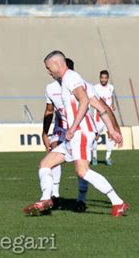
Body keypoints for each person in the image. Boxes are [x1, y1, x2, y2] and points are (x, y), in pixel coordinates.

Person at [24, 50, 128, 217]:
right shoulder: (76, 80)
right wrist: (111, 130)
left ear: (57, 64)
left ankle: (118, 202)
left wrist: (72, 128)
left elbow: (85, 101)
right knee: (44, 165)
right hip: (72, 135)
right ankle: (45, 199)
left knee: (83, 171)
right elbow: (100, 107)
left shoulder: (70, 78)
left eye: (49, 67)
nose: (48, 71)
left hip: (79, 133)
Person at [42, 58, 90, 212]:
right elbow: (49, 110)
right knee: (52, 158)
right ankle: (54, 196)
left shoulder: (80, 85)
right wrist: (44, 132)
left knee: (81, 166)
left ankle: (81, 199)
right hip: (60, 129)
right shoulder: (51, 88)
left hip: (78, 130)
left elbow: (92, 104)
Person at [92, 70, 116, 166]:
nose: (103, 80)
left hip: (109, 115)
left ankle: (108, 157)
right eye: (102, 77)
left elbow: (112, 97)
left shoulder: (111, 87)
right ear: (100, 78)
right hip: (98, 116)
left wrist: (113, 105)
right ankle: (94, 157)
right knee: (96, 137)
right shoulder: (95, 88)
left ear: (107, 78)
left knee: (111, 135)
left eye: (105, 78)